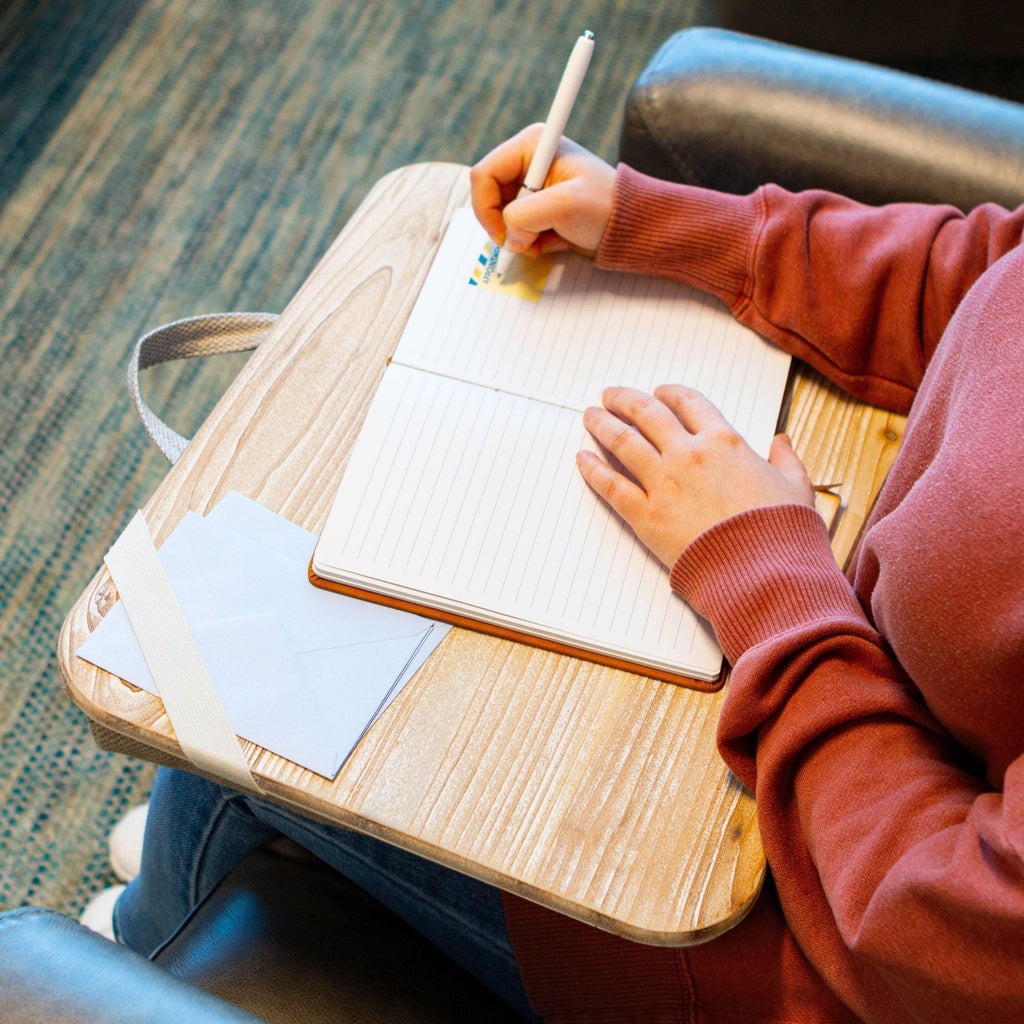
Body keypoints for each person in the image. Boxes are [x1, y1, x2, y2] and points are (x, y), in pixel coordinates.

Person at [111, 124, 1024, 1022]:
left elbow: (941, 937)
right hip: (833, 644)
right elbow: (991, 267)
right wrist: (673, 225)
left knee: (225, 707)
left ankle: (135, 950)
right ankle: (199, 886)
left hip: (789, 934)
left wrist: (771, 581)